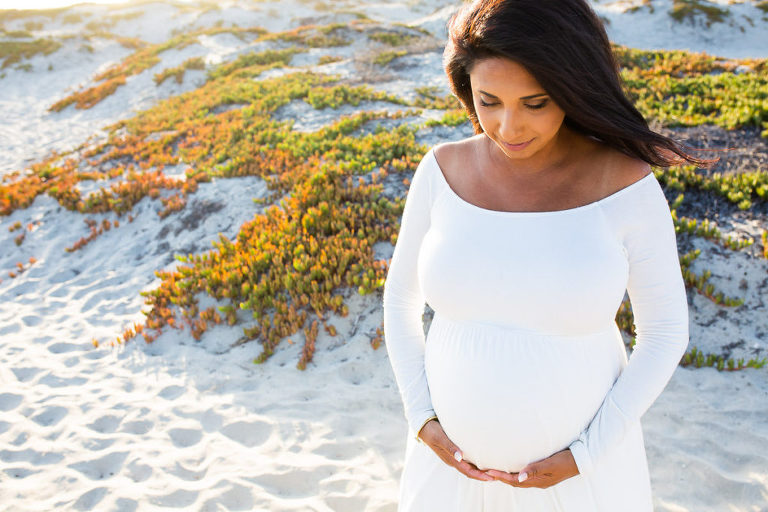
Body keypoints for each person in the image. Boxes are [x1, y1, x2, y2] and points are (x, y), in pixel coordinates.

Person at [381, 0, 717, 510]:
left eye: (535, 103)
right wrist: (421, 419)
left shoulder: (625, 185)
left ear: (573, 87)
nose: (509, 128)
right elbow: (400, 299)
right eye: (489, 100)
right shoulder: (442, 170)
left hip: (583, 481)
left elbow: (666, 332)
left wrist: (586, 453)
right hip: (447, 478)